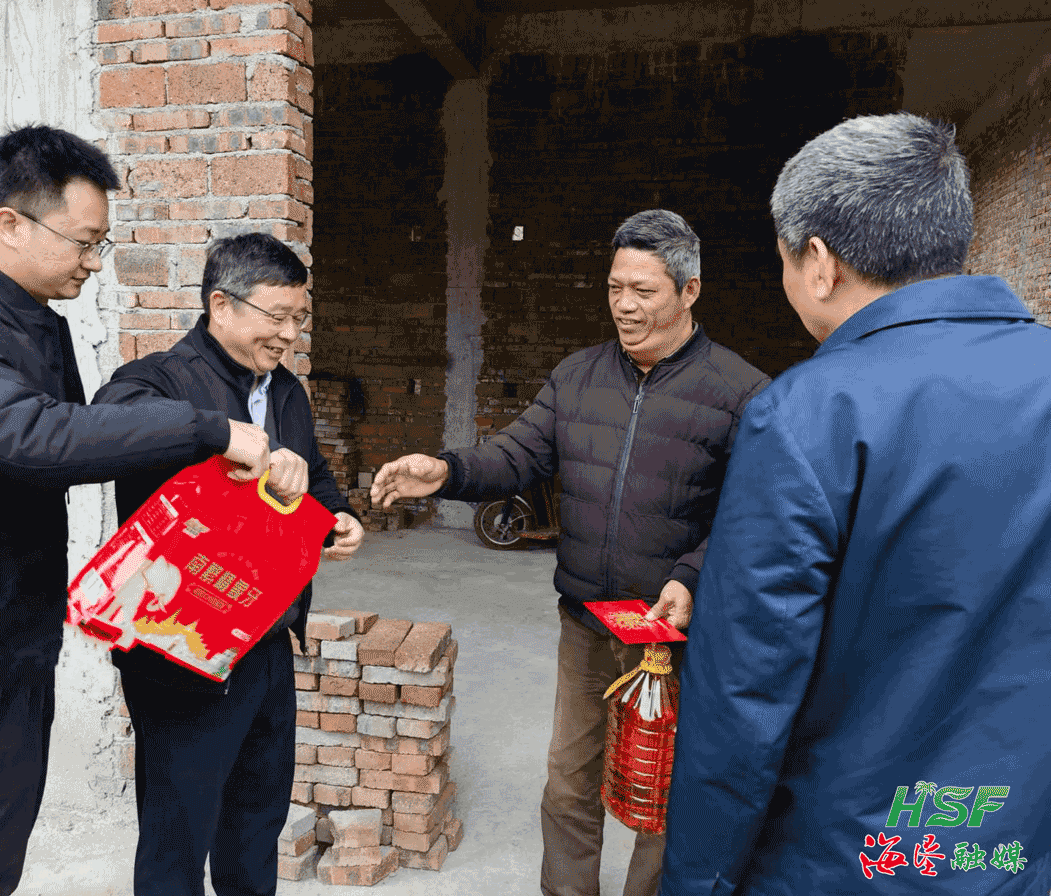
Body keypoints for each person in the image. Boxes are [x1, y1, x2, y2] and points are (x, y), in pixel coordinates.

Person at [658, 112, 1051, 895]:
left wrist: (696, 881)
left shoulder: (809, 414)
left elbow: (743, 696)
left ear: (818, 263)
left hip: (845, 861)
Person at [0, 125, 273, 896]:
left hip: (3, 630)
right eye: (84, 243)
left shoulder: (24, 317)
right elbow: (29, 436)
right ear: (9, 223)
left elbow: (77, 441)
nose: (94, 263)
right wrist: (207, 428)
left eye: (101, 245)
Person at [372, 210, 769, 896]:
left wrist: (692, 576)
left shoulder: (740, 392)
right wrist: (446, 471)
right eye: (615, 287)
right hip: (586, 622)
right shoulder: (578, 376)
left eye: (643, 290)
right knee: (568, 781)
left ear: (689, 291)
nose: (624, 305)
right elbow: (516, 454)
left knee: (664, 787)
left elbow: (752, 512)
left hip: (675, 632)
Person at [92, 232, 364, 896]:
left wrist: (336, 516)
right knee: (178, 835)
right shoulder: (160, 378)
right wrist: (223, 439)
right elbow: (107, 422)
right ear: (221, 304)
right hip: (180, 646)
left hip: (266, 642)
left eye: (298, 318)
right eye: (278, 316)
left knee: (255, 823)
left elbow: (315, 477)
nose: (290, 334)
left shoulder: (287, 392)